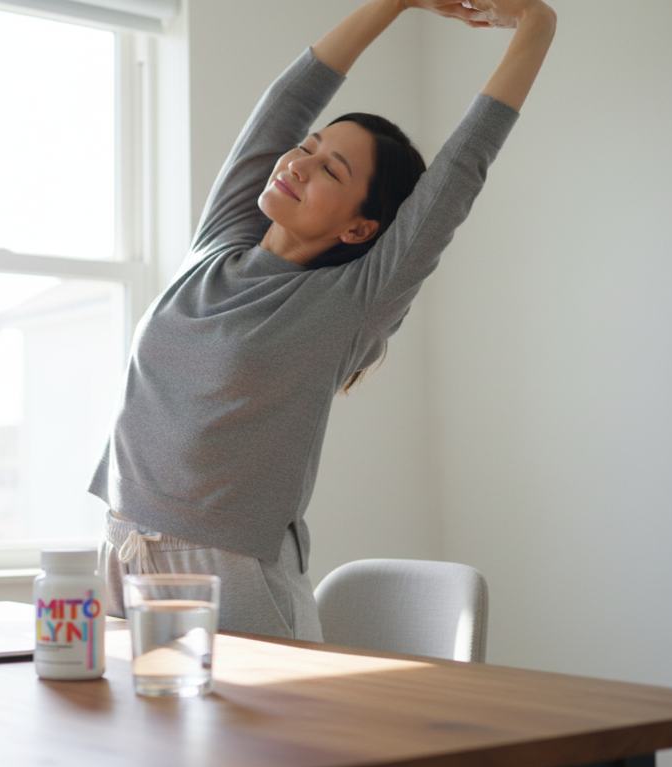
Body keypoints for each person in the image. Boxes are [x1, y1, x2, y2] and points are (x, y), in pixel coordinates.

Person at [90, 0, 557, 641]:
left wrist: (537, 25)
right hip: (121, 549)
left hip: (233, 577)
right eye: (307, 148)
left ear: (360, 227)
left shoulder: (348, 302)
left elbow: (460, 173)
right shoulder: (217, 246)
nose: (297, 164)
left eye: (329, 169)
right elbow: (285, 104)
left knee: (259, 747)